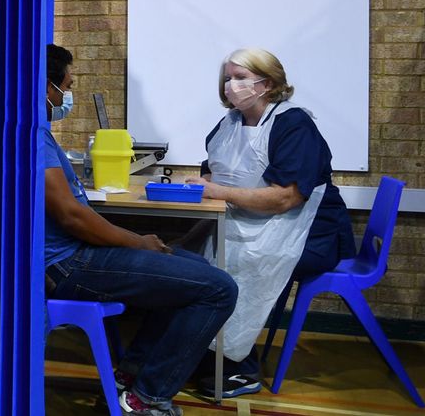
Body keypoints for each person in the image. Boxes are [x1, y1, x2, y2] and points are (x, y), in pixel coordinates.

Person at [43, 44, 238, 416]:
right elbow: (71, 217)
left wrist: (140, 244)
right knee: (219, 289)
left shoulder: (41, 133)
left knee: (196, 274)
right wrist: (138, 242)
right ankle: (145, 399)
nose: (68, 96)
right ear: (44, 85)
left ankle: (128, 381)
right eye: (65, 87)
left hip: (78, 254)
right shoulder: (34, 137)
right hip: (68, 264)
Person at [183, 47, 355, 397]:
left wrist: (216, 189)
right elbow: (213, 166)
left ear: (268, 83)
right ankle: (202, 351)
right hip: (249, 223)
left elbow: (285, 197)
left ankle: (237, 368)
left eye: (241, 78)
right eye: (228, 78)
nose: (232, 85)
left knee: (228, 268)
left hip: (309, 235)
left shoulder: (293, 125)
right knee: (188, 255)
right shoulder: (230, 123)